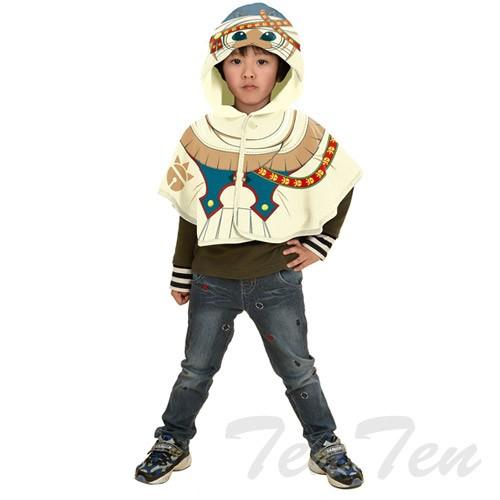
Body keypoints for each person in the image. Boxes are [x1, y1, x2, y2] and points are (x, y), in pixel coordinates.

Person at [135, 2, 364, 489]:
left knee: (298, 369)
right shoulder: (199, 134)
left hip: (275, 277)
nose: (249, 71)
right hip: (211, 278)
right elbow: (190, 211)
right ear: (219, 67)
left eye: (263, 60)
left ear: (282, 67)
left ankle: (324, 444)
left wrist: (320, 242)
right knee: (195, 369)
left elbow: (342, 182)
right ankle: (172, 441)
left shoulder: (302, 131)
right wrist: (181, 272)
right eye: (237, 60)